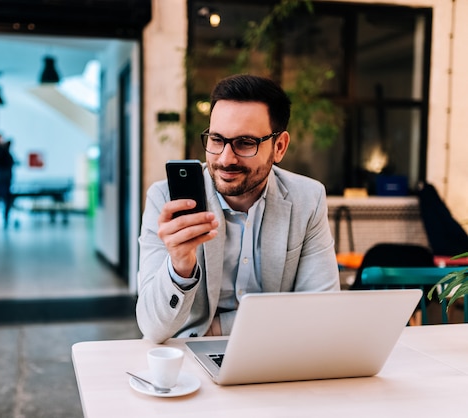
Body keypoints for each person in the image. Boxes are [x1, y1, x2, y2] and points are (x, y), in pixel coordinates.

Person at [136, 74, 340, 343]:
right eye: (217, 139)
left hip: (275, 352)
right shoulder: (165, 198)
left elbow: (319, 312)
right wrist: (180, 267)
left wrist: (217, 328)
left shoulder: (308, 199)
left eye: (245, 143)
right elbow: (152, 329)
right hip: (187, 359)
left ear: (279, 147)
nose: (225, 159)